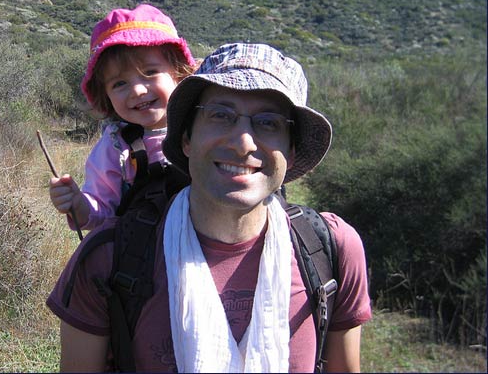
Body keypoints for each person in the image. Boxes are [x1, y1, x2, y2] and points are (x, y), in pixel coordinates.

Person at [46, 42, 372, 372]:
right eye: (220, 115)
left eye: (269, 122)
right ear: (186, 138)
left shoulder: (331, 250)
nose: (243, 142)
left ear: (290, 148)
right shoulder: (107, 259)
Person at [49, 4, 197, 232]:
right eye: (119, 83)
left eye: (150, 73)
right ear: (106, 95)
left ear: (179, 73)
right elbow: (101, 212)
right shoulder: (117, 147)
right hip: (146, 259)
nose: (137, 91)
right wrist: (78, 205)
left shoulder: (203, 126)